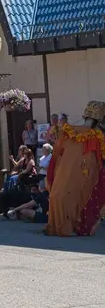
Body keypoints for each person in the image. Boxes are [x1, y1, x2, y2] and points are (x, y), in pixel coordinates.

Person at [45, 101, 105, 236]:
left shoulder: (71, 132)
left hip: (79, 172)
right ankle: (71, 225)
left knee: (68, 196)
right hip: (84, 173)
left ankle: (69, 225)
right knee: (75, 196)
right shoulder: (93, 135)